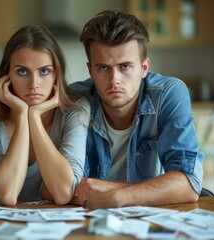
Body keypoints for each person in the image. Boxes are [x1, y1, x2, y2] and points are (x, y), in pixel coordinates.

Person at [70, 10, 204, 208]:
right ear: (90, 70)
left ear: (144, 68)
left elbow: (188, 183)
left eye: (124, 67)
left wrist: (115, 196)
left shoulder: (167, 94)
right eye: (103, 68)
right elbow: (57, 187)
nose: (114, 79)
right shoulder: (75, 100)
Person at [0, 25, 90, 206]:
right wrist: (23, 115)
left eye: (44, 71)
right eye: (22, 71)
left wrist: (34, 117)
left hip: (54, 224)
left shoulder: (75, 109)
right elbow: (7, 194)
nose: (33, 84)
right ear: (7, 75)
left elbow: (63, 193)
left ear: (56, 75)